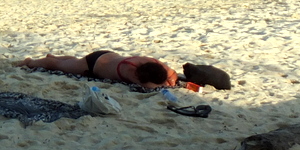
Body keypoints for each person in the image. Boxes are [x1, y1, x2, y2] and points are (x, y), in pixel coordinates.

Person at [15, 51, 178, 89]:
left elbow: (173, 74)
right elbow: (150, 87)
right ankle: (30, 62)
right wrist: (168, 84)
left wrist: (170, 78)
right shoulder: (131, 71)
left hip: (106, 54)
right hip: (93, 65)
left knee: (72, 62)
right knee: (60, 67)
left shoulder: (153, 62)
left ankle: (54, 56)